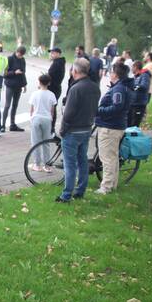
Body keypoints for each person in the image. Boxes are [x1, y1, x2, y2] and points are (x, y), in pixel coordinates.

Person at [55, 58, 100, 203]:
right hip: (86, 129)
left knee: (70, 164)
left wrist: (62, 129)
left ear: (75, 71)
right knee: (82, 161)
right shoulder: (95, 87)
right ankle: (80, 190)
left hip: (73, 131)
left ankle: (66, 195)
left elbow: (68, 113)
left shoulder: (75, 89)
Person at [93, 62, 131, 195]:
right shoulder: (123, 87)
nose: (109, 74)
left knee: (107, 158)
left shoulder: (119, 89)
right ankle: (112, 184)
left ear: (115, 74)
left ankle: (106, 187)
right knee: (113, 157)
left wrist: (99, 111)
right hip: (116, 126)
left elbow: (117, 107)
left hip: (110, 128)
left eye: (111, 72)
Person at [27, 73, 57, 172]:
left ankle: (37, 164)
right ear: (49, 83)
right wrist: (51, 119)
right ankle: (47, 165)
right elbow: (52, 110)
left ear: (39, 82)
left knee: (36, 142)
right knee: (46, 142)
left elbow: (31, 109)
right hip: (47, 119)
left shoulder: (35, 94)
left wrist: (31, 118)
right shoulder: (52, 94)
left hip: (36, 118)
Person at [2, 45, 27, 132]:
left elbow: (23, 72)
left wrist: (24, 84)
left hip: (19, 85)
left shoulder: (22, 60)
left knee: (15, 105)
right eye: (19, 54)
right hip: (10, 85)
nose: (20, 56)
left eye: (22, 55)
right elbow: (4, 73)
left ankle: (12, 124)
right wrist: (14, 72)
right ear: (17, 52)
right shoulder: (9, 59)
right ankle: (3, 125)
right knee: (7, 105)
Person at [128, 60, 151, 127]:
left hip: (139, 104)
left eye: (132, 67)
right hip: (133, 103)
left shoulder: (145, 75)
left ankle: (134, 137)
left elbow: (144, 86)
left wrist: (134, 86)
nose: (131, 68)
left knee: (135, 124)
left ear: (136, 67)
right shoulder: (135, 76)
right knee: (129, 123)